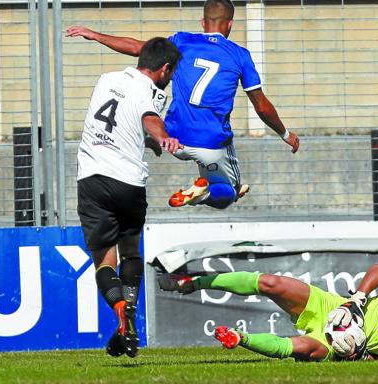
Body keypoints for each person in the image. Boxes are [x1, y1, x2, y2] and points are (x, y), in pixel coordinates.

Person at [66, 0, 300, 210]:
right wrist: (285, 133)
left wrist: (95, 35)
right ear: (230, 24)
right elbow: (261, 107)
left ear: (202, 21)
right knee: (231, 192)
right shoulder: (240, 55)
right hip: (211, 144)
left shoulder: (181, 41)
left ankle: (159, 150)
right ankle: (205, 192)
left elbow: (139, 48)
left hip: (173, 139)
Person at [76, 37, 182, 357]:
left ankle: (121, 311)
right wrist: (163, 139)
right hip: (128, 182)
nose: (172, 78)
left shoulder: (106, 79)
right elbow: (149, 118)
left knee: (103, 262)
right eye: (172, 72)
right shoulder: (152, 92)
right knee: (130, 253)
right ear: (164, 69)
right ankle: (130, 317)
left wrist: (95, 35)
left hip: (92, 178)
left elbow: (121, 122)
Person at [157, 263, 378, 362]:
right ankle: (192, 282)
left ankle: (239, 338)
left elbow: (376, 363)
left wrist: (357, 352)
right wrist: (357, 298)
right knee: (271, 283)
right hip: (333, 307)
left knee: (302, 348)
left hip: (338, 342)